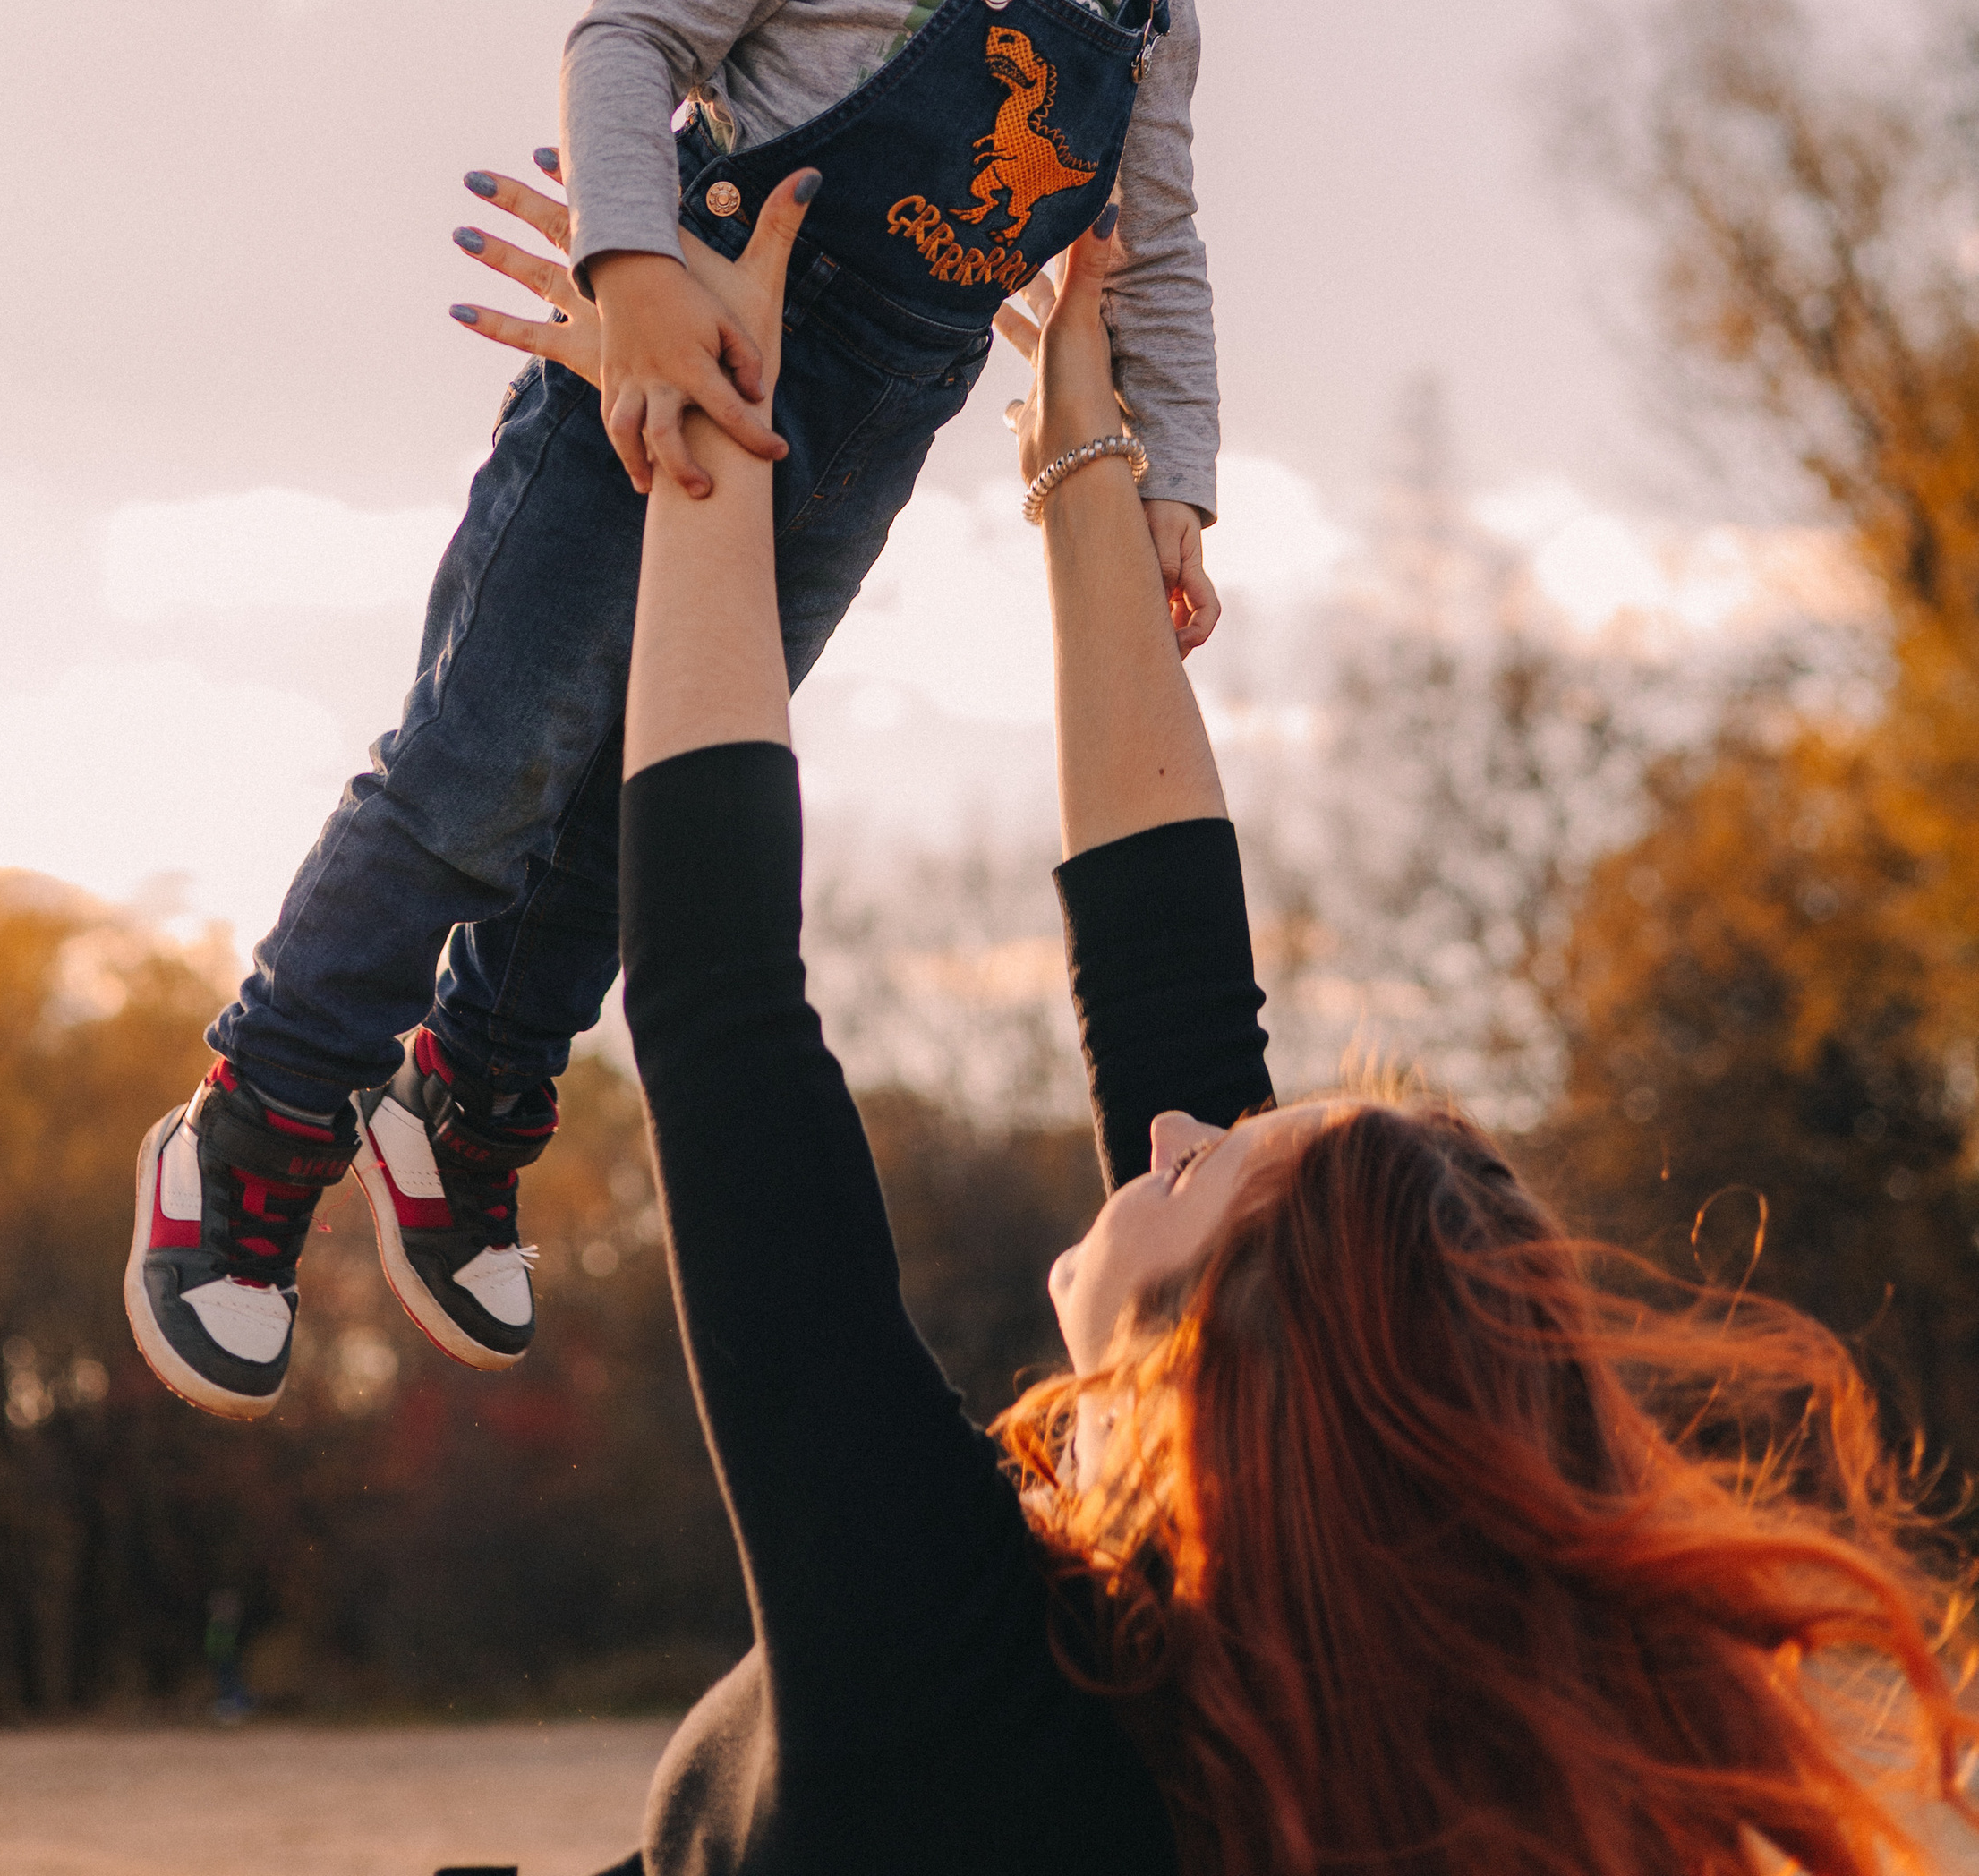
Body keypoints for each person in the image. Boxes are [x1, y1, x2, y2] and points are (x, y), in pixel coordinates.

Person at [458, 166, 1977, 1876]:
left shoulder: (947, 1664)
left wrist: (706, 433)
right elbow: (1168, 972)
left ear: (1226, 1387)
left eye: (1212, 1166)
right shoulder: (1241, 1704)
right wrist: (1081, 456)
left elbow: (726, 1012)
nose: (1179, 1125)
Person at [126, 0, 1357, 1417]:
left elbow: (1157, 252)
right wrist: (622, 272)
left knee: (655, 806)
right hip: (669, 361)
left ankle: (471, 1102)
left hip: (851, 435)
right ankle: (261, 1116)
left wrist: (1173, 488)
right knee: (485, 768)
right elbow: (632, 33)